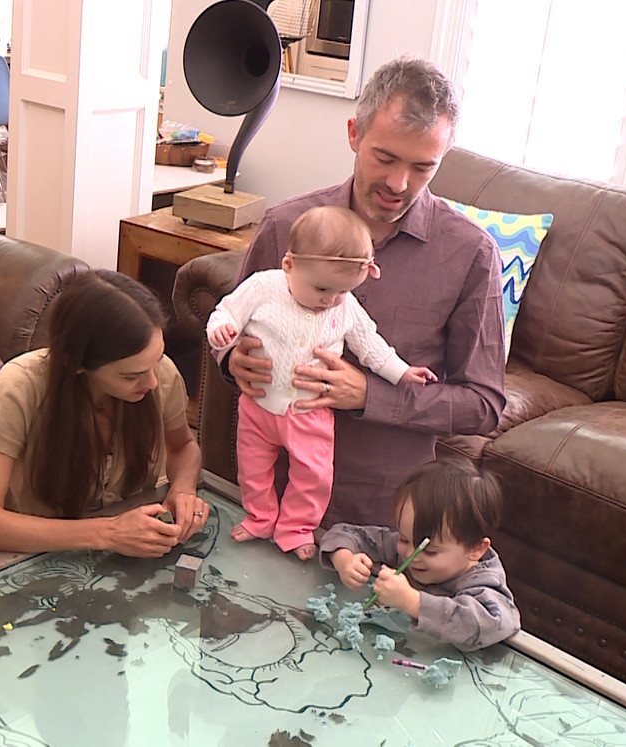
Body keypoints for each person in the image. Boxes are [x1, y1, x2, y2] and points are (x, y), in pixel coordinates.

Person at [224, 56, 507, 529]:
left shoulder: (471, 255)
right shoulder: (283, 227)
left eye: (423, 167)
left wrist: (368, 395)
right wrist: (232, 361)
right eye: (385, 158)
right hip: (269, 493)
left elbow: (484, 405)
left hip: (383, 510)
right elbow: (230, 331)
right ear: (354, 134)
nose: (399, 184)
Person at [208, 206, 437, 560]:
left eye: (342, 292)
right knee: (252, 467)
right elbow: (226, 312)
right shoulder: (263, 287)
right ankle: (261, 516)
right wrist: (222, 332)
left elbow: (370, 345)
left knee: (314, 476)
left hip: (308, 411)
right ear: (289, 265)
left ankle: (297, 528)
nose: (329, 301)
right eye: (321, 289)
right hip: (258, 404)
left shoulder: (344, 307)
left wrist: (402, 371)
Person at [0, 269, 207, 557]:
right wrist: (109, 533)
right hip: (39, 554)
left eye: (157, 360)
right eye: (131, 376)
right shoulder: (20, 386)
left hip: (132, 554)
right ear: (76, 364)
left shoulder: (160, 375)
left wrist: (182, 489)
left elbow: (182, 447)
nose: (152, 382)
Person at [322, 457, 519, 651]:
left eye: (430, 551)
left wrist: (411, 601)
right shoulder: (407, 549)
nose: (410, 555)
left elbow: (495, 624)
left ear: (475, 549)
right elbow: (345, 533)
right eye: (404, 538)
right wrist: (345, 559)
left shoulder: (484, 583)